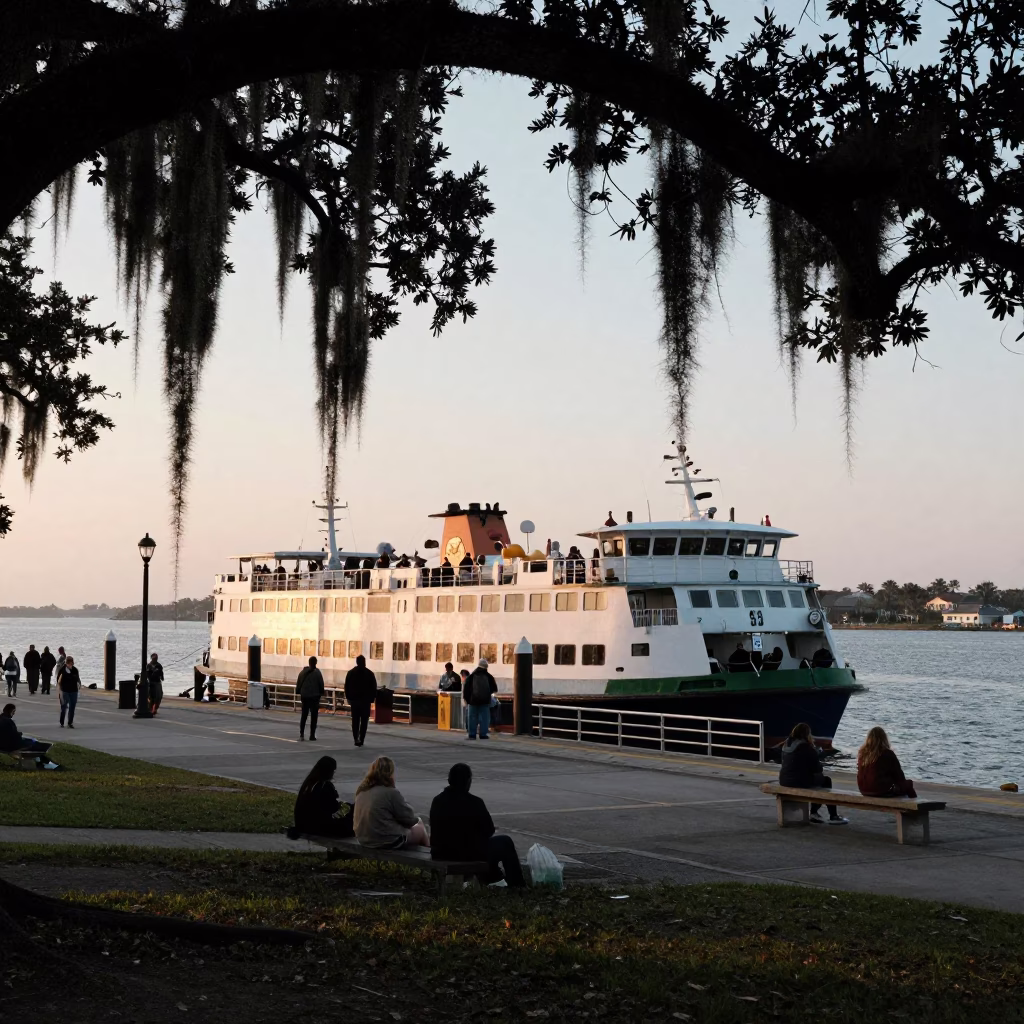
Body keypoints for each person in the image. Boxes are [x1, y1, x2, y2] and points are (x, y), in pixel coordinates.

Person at [430, 762, 526, 888]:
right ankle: (517, 886)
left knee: (482, 847)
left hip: (441, 853)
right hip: (465, 855)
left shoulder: (437, 801)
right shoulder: (475, 802)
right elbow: (489, 830)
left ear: (449, 780)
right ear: (468, 781)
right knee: (504, 842)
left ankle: (493, 878)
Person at [353, 755, 428, 849]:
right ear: (390, 773)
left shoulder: (362, 790)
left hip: (363, 839)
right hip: (386, 840)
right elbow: (409, 820)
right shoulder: (391, 792)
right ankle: (429, 855)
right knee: (420, 826)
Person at [779, 722, 848, 824]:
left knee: (816, 779)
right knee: (826, 781)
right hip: (799, 781)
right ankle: (831, 815)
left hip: (784, 780)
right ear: (807, 734)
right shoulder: (806, 747)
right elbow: (817, 769)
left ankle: (816, 813)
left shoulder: (786, 745)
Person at [294, 755, 354, 837]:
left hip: (303, 826)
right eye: (333, 771)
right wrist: (339, 806)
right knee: (352, 819)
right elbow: (332, 807)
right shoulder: (324, 785)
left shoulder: (309, 783)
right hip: (318, 828)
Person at [857, 726, 917, 798]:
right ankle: (915, 805)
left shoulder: (863, 753)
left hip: (863, 790)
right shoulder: (887, 753)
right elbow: (899, 776)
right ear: (884, 739)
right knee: (908, 784)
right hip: (880, 791)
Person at [344, 654, 377, 747]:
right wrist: (372, 699)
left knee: (355, 721)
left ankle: (356, 739)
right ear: (364, 662)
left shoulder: (351, 673)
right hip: (365, 702)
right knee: (364, 721)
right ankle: (361, 739)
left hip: (355, 701)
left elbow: (346, 687)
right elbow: (373, 688)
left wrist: (348, 698)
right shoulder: (370, 674)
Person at [464, 658, 497, 740]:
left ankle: (472, 735)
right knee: (485, 718)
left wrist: (467, 700)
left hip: (473, 701)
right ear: (486, 667)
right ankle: (483, 734)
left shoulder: (471, 676)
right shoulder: (489, 676)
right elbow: (494, 688)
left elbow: (466, 689)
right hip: (485, 701)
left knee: (472, 718)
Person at [296, 655, 325, 741]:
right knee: (314, 717)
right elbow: (321, 684)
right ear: (315, 663)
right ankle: (312, 735)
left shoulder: (302, 672)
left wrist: (300, 692)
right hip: (314, 698)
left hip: (305, 697)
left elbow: (298, 684)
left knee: (304, 716)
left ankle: (301, 734)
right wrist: (321, 693)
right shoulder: (317, 673)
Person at [56, 655, 82, 728]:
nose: (70, 665)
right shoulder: (62, 670)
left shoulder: (75, 670)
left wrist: (79, 684)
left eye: (71, 663)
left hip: (74, 691)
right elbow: (58, 680)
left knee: (72, 707)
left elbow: (78, 679)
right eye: (69, 663)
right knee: (64, 707)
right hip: (64, 691)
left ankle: (70, 722)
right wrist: (60, 689)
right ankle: (62, 722)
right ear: (66, 663)